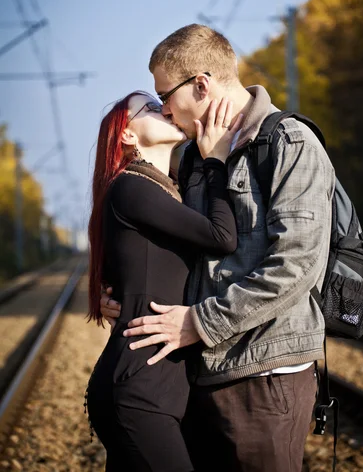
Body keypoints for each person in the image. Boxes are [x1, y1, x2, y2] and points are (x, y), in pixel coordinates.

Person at [101, 24, 336, 472]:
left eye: (165, 97)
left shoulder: (288, 144)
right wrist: (124, 296)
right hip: (197, 376)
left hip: (262, 376)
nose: (166, 112)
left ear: (201, 85)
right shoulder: (191, 158)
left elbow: (297, 264)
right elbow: (165, 244)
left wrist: (199, 322)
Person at [86, 89, 242, 472]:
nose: (165, 109)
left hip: (150, 388)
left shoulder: (163, 189)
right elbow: (222, 237)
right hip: (139, 391)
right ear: (128, 135)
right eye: (151, 107)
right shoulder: (132, 186)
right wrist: (216, 160)